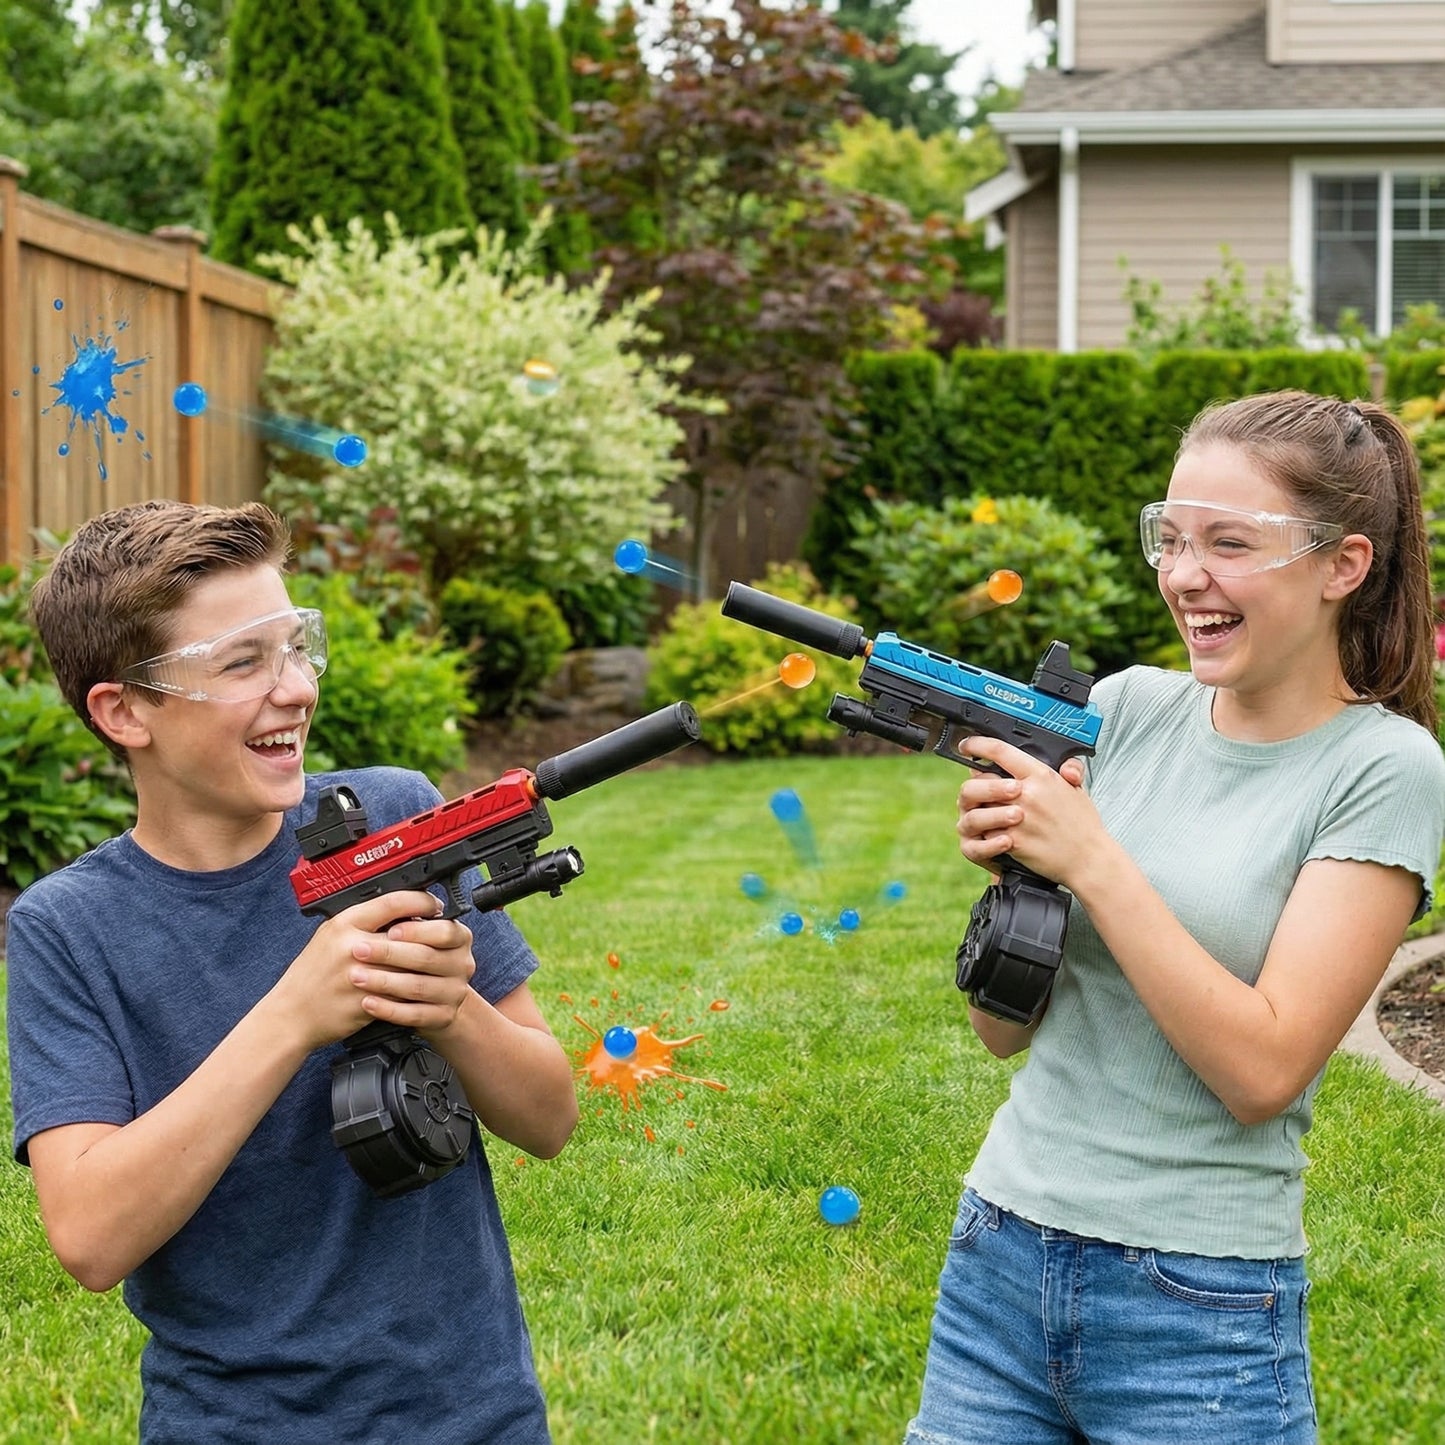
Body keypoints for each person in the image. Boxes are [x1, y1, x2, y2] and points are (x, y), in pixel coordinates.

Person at [905, 390, 1445, 1445]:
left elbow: (1261, 1072)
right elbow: (1000, 1031)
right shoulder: (1127, 708)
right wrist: (1021, 872)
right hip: (999, 1251)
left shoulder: (1381, 769)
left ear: (1342, 566)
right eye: (1171, 536)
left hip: (1194, 1304)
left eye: (1228, 542)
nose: (1184, 574)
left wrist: (1093, 861)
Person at [6, 499, 579, 1444]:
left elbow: (549, 1118)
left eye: (296, 645)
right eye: (242, 661)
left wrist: (451, 1011)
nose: (296, 688)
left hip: (473, 1412)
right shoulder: (70, 929)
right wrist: (293, 1015)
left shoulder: (396, 819)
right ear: (123, 710)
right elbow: (92, 1238)